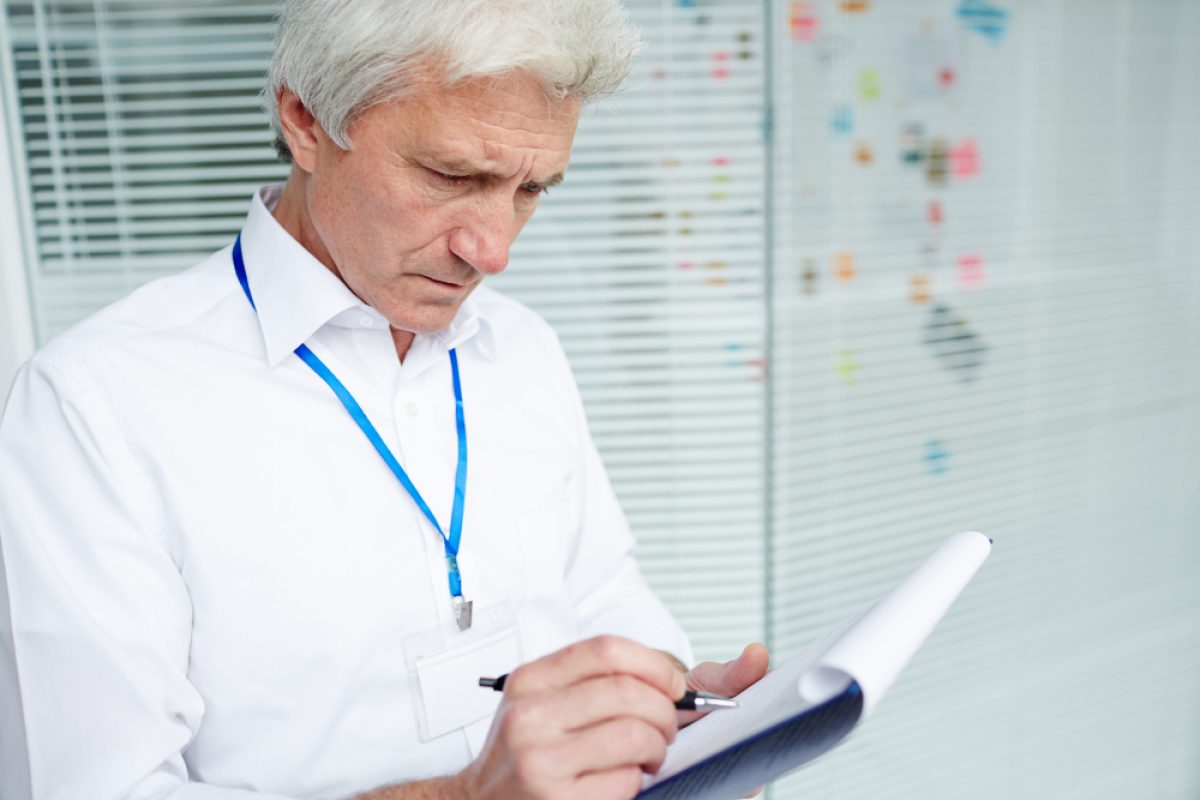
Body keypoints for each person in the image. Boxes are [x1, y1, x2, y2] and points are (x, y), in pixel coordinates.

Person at [0, 1, 769, 798]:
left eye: (532, 189)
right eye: (452, 177)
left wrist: (676, 709)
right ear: (305, 120)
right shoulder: (92, 408)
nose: (493, 250)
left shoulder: (523, 346)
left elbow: (602, 596)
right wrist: (470, 796)